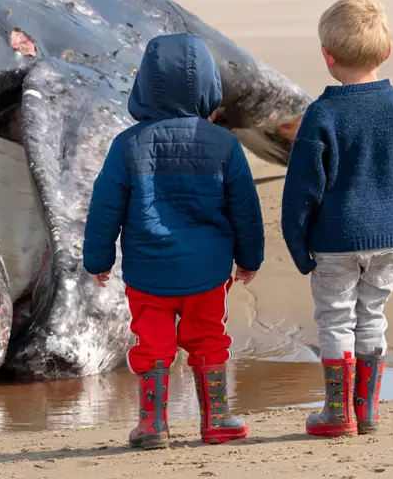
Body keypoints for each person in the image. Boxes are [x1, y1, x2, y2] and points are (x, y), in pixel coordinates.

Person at [82, 33, 265, 449]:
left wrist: (98, 260)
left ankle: (153, 425)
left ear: (143, 87)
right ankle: (217, 419)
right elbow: (245, 210)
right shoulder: (224, 145)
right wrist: (249, 258)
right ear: (208, 87)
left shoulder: (128, 146)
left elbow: (105, 207)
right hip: (207, 272)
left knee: (153, 344)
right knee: (208, 339)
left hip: (149, 273)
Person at [281, 0, 393, 437]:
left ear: (327, 57)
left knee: (335, 319)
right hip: (389, 235)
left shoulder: (322, 113)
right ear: (386, 52)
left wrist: (298, 244)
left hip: (333, 240)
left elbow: (301, 190)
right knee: (371, 317)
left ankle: (337, 413)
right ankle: (365, 411)